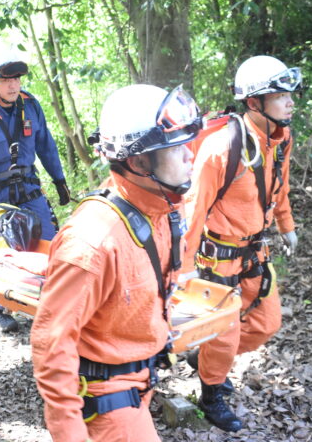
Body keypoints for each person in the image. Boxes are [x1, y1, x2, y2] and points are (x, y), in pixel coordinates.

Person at [31, 84, 202, 442]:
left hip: (141, 383)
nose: (190, 156)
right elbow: (51, 343)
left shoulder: (165, 206)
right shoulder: (93, 241)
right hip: (109, 401)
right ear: (139, 161)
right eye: (175, 147)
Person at [183, 55, 300, 432]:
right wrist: (183, 270)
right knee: (226, 331)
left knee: (267, 323)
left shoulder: (281, 140)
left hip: (255, 251)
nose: (290, 100)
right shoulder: (221, 149)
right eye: (280, 95)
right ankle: (211, 392)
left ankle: (208, 359)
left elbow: (278, 188)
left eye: (289, 93)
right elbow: (192, 212)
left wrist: (286, 225)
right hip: (217, 258)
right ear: (254, 103)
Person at [0, 47, 70, 332]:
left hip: (29, 188)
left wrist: (58, 179)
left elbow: (46, 145)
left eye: (17, 79)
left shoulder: (30, 105)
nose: (13, 85)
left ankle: (50, 304)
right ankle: (1, 309)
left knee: (48, 242)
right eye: (6, 80)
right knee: (4, 250)